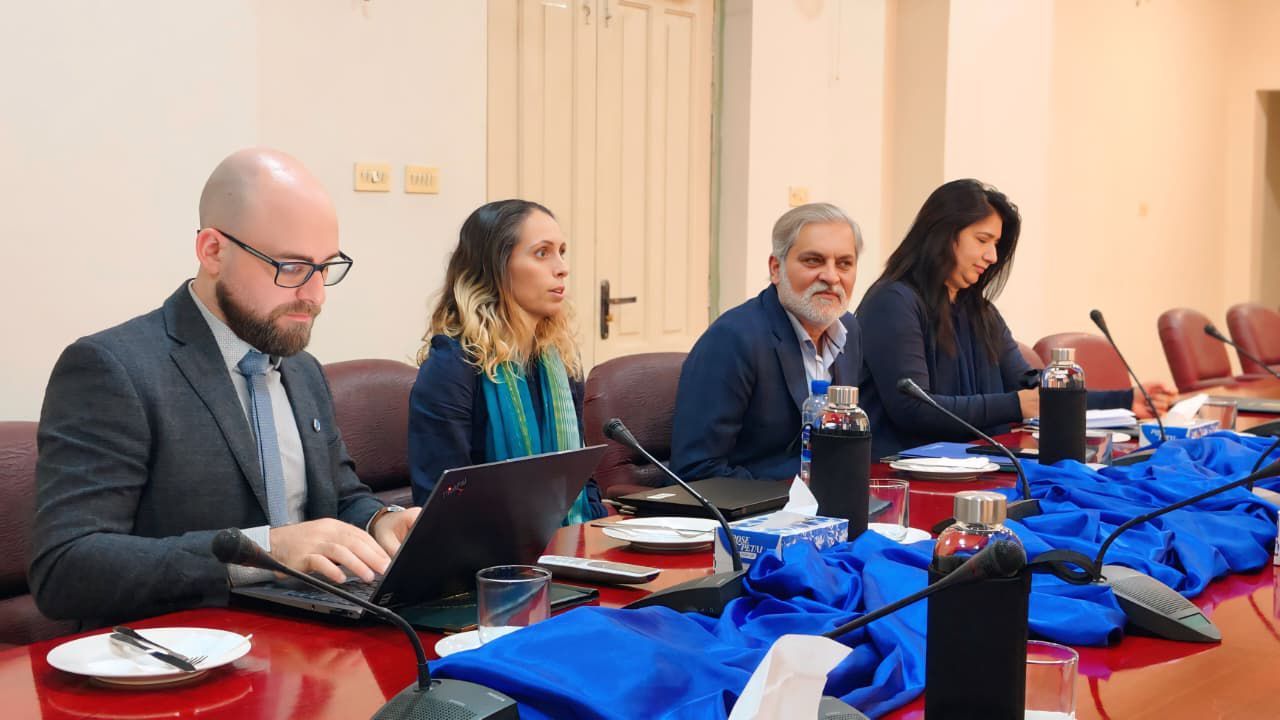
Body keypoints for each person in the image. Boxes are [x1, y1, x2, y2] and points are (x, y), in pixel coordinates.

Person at [28, 148, 420, 627]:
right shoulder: (112, 369)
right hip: (182, 652)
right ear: (213, 251)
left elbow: (338, 500)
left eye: (325, 268)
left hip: (315, 638)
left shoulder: (302, 370)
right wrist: (262, 552)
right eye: (291, 267)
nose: (314, 295)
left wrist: (382, 521)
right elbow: (65, 568)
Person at [857, 178, 1175, 458]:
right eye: (982, 240)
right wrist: (1016, 404)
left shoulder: (980, 312)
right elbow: (914, 409)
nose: (992, 256)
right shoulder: (893, 302)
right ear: (942, 234)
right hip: (906, 475)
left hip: (980, 466)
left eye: (996, 244)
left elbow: (1033, 390)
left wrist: (1125, 400)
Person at [408, 199, 606, 521]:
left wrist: (596, 533)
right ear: (496, 267)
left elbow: (582, 478)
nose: (562, 268)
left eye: (562, 252)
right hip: (487, 550)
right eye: (542, 253)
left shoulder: (560, 359)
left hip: (570, 542)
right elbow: (440, 506)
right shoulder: (452, 368)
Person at [669, 203, 864, 482]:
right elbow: (697, 469)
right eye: (813, 261)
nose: (832, 277)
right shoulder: (733, 338)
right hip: (754, 503)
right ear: (776, 268)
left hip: (828, 497)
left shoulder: (849, 330)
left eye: (844, 263)